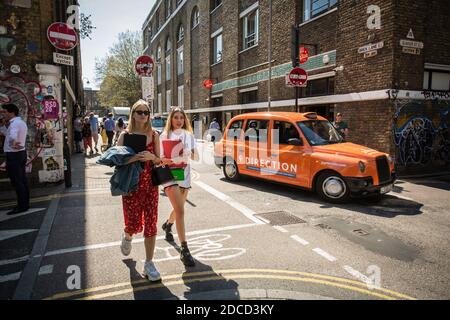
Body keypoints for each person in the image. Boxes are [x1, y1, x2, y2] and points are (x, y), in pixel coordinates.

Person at [116, 100, 162, 281]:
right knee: (134, 224)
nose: (143, 115)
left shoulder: (154, 135)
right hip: (131, 187)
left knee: (151, 224)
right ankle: (127, 235)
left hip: (150, 186)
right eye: (140, 112)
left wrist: (152, 157)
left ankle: (149, 264)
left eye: (146, 112)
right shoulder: (124, 135)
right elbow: (116, 161)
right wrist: (134, 157)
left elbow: (160, 160)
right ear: (133, 114)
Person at [159, 106, 198, 267]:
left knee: (179, 207)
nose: (179, 120)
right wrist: (171, 158)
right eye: (176, 117)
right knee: (181, 210)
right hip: (170, 175)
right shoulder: (164, 135)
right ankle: (184, 249)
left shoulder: (189, 135)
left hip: (185, 175)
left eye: (182, 118)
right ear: (171, 119)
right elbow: (160, 159)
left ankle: (168, 225)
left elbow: (196, 157)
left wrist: (188, 153)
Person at [0, 104, 30, 215]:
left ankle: (22, 206)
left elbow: (12, 135)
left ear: (11, 112)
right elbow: (8, 133)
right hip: (21, 154)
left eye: (5, 112)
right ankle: (25, 204)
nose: (4, 114)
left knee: (17, 181)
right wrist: (3, 126)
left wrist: (14, 141)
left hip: (14, 155)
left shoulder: (14, 124)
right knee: (22, 180)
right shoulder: (20, 123)